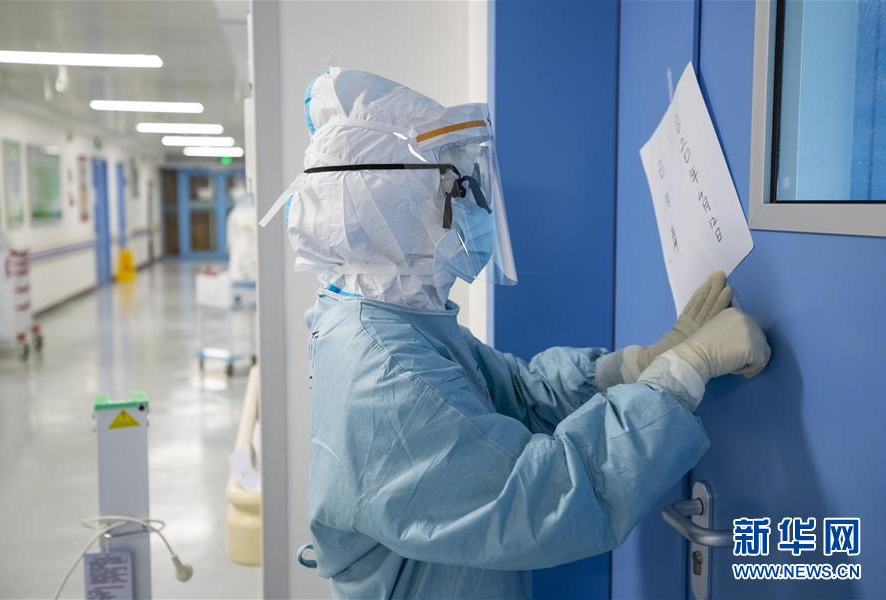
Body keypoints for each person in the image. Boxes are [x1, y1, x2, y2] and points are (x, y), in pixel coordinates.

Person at [264, 67, 771, 599]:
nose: (476, 206)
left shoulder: (390, 319)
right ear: (392, 206)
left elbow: (515, 397)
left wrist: (634, 367)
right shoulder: (383, 368)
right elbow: (544, 498)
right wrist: (678, 376)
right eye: (458, 188)